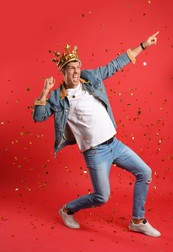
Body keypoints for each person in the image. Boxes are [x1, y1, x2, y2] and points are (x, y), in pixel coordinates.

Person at [33, 32, 161, 237]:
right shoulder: (58, 97)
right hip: (96, 152)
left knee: (144, 172)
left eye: (77, 67)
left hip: (114, 144)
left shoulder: (90, 78)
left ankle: (137, 220)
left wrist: (143, 46)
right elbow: (38, 117)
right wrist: (44, 93)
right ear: (63, 73)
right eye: (71, 69)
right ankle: (67, 210)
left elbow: (114, 65)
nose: (76, 72)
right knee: (102, 197)